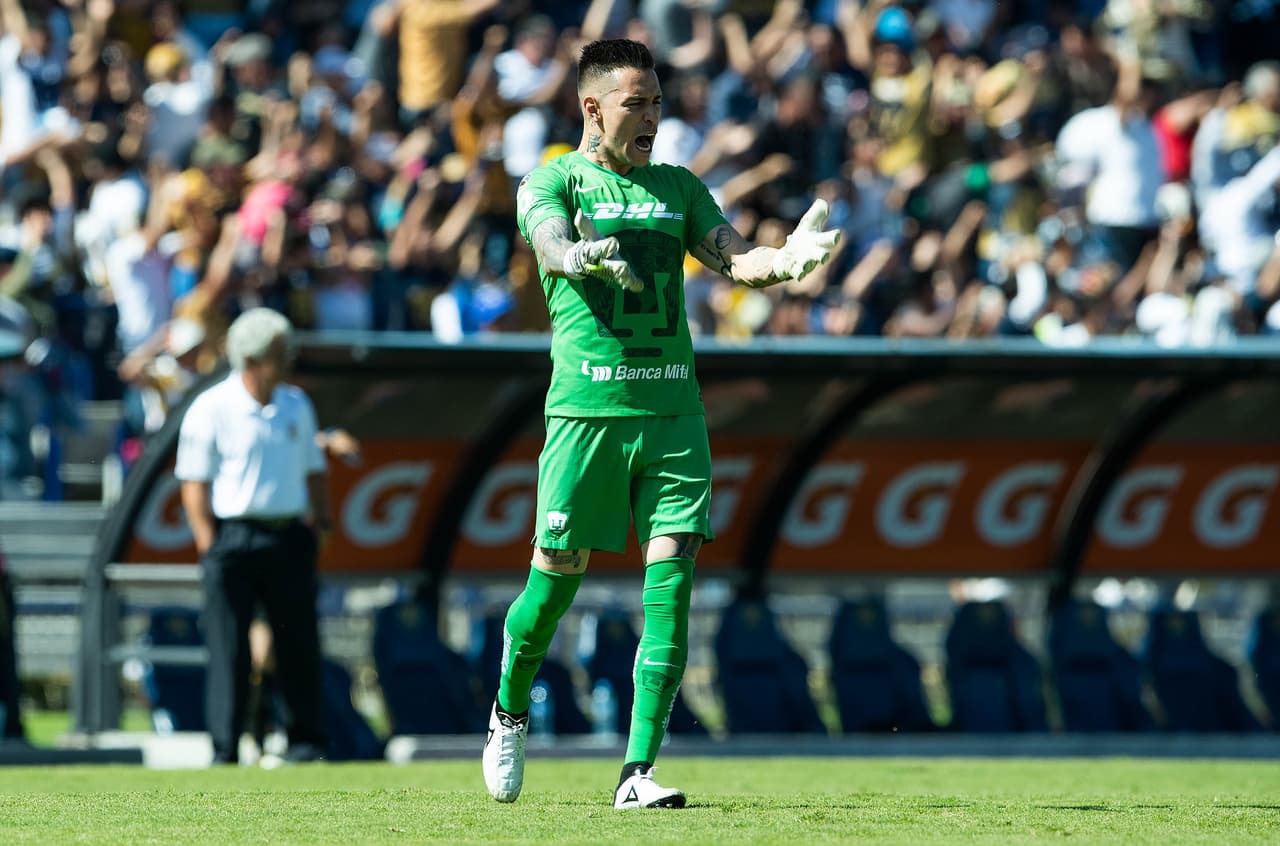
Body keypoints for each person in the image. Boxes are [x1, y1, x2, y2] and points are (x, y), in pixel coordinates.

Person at [482, 38, 839, 810]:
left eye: (657, 103)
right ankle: (508, 710)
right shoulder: (555, 179)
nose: (651, 116)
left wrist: (784, 261)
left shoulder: (678, 186)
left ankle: (635, 773)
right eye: (635, 103)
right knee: (554, 584)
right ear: (592, 107)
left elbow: (736, 258)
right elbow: (547, 238)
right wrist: (576, 257)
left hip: (674, 414)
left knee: (671, 588)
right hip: (587, 414)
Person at [175, 307, 331, 765]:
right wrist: (208, 544)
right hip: (234, 538)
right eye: (280, 354)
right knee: (229, 648)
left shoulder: (297, 405)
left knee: (298, 642)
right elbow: (193, 482)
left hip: (287, 535)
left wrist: (322, 523)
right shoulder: (212, 407)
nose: (288, 361)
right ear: (252, 358)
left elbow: (315, 470)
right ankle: (226, 747)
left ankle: (305, 744)